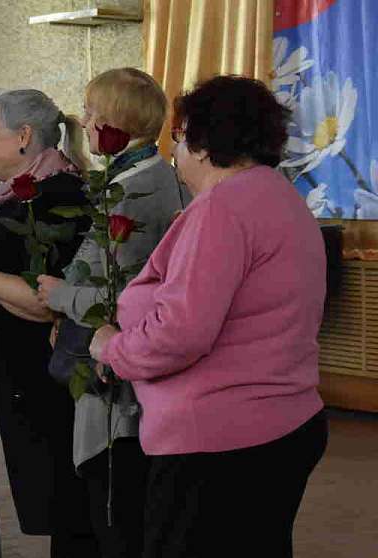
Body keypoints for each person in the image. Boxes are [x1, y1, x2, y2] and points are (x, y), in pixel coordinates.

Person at [88, 75, 328, 558]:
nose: (175, 153)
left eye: (178, 138)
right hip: (280, 423)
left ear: (201, 143)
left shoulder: (223, 207)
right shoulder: (279, 194)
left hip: (219, 439)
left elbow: (180, 333)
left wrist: (112, 348)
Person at [34, 68, 187, 557]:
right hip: (112, 357)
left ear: (118, 122)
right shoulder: (135, 176)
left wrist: (60, 296)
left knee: (116, 509)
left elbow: (119, 292)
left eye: (92, 113)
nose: (85, 122)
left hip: (120, 379)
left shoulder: (142, 187)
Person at [0, 90, 97, 556]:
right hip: (27, 379)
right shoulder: (26, 194)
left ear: (24, 136)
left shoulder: (53, 197)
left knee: (73, 516)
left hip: (50, 383)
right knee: (65, 518)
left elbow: (45, 302)